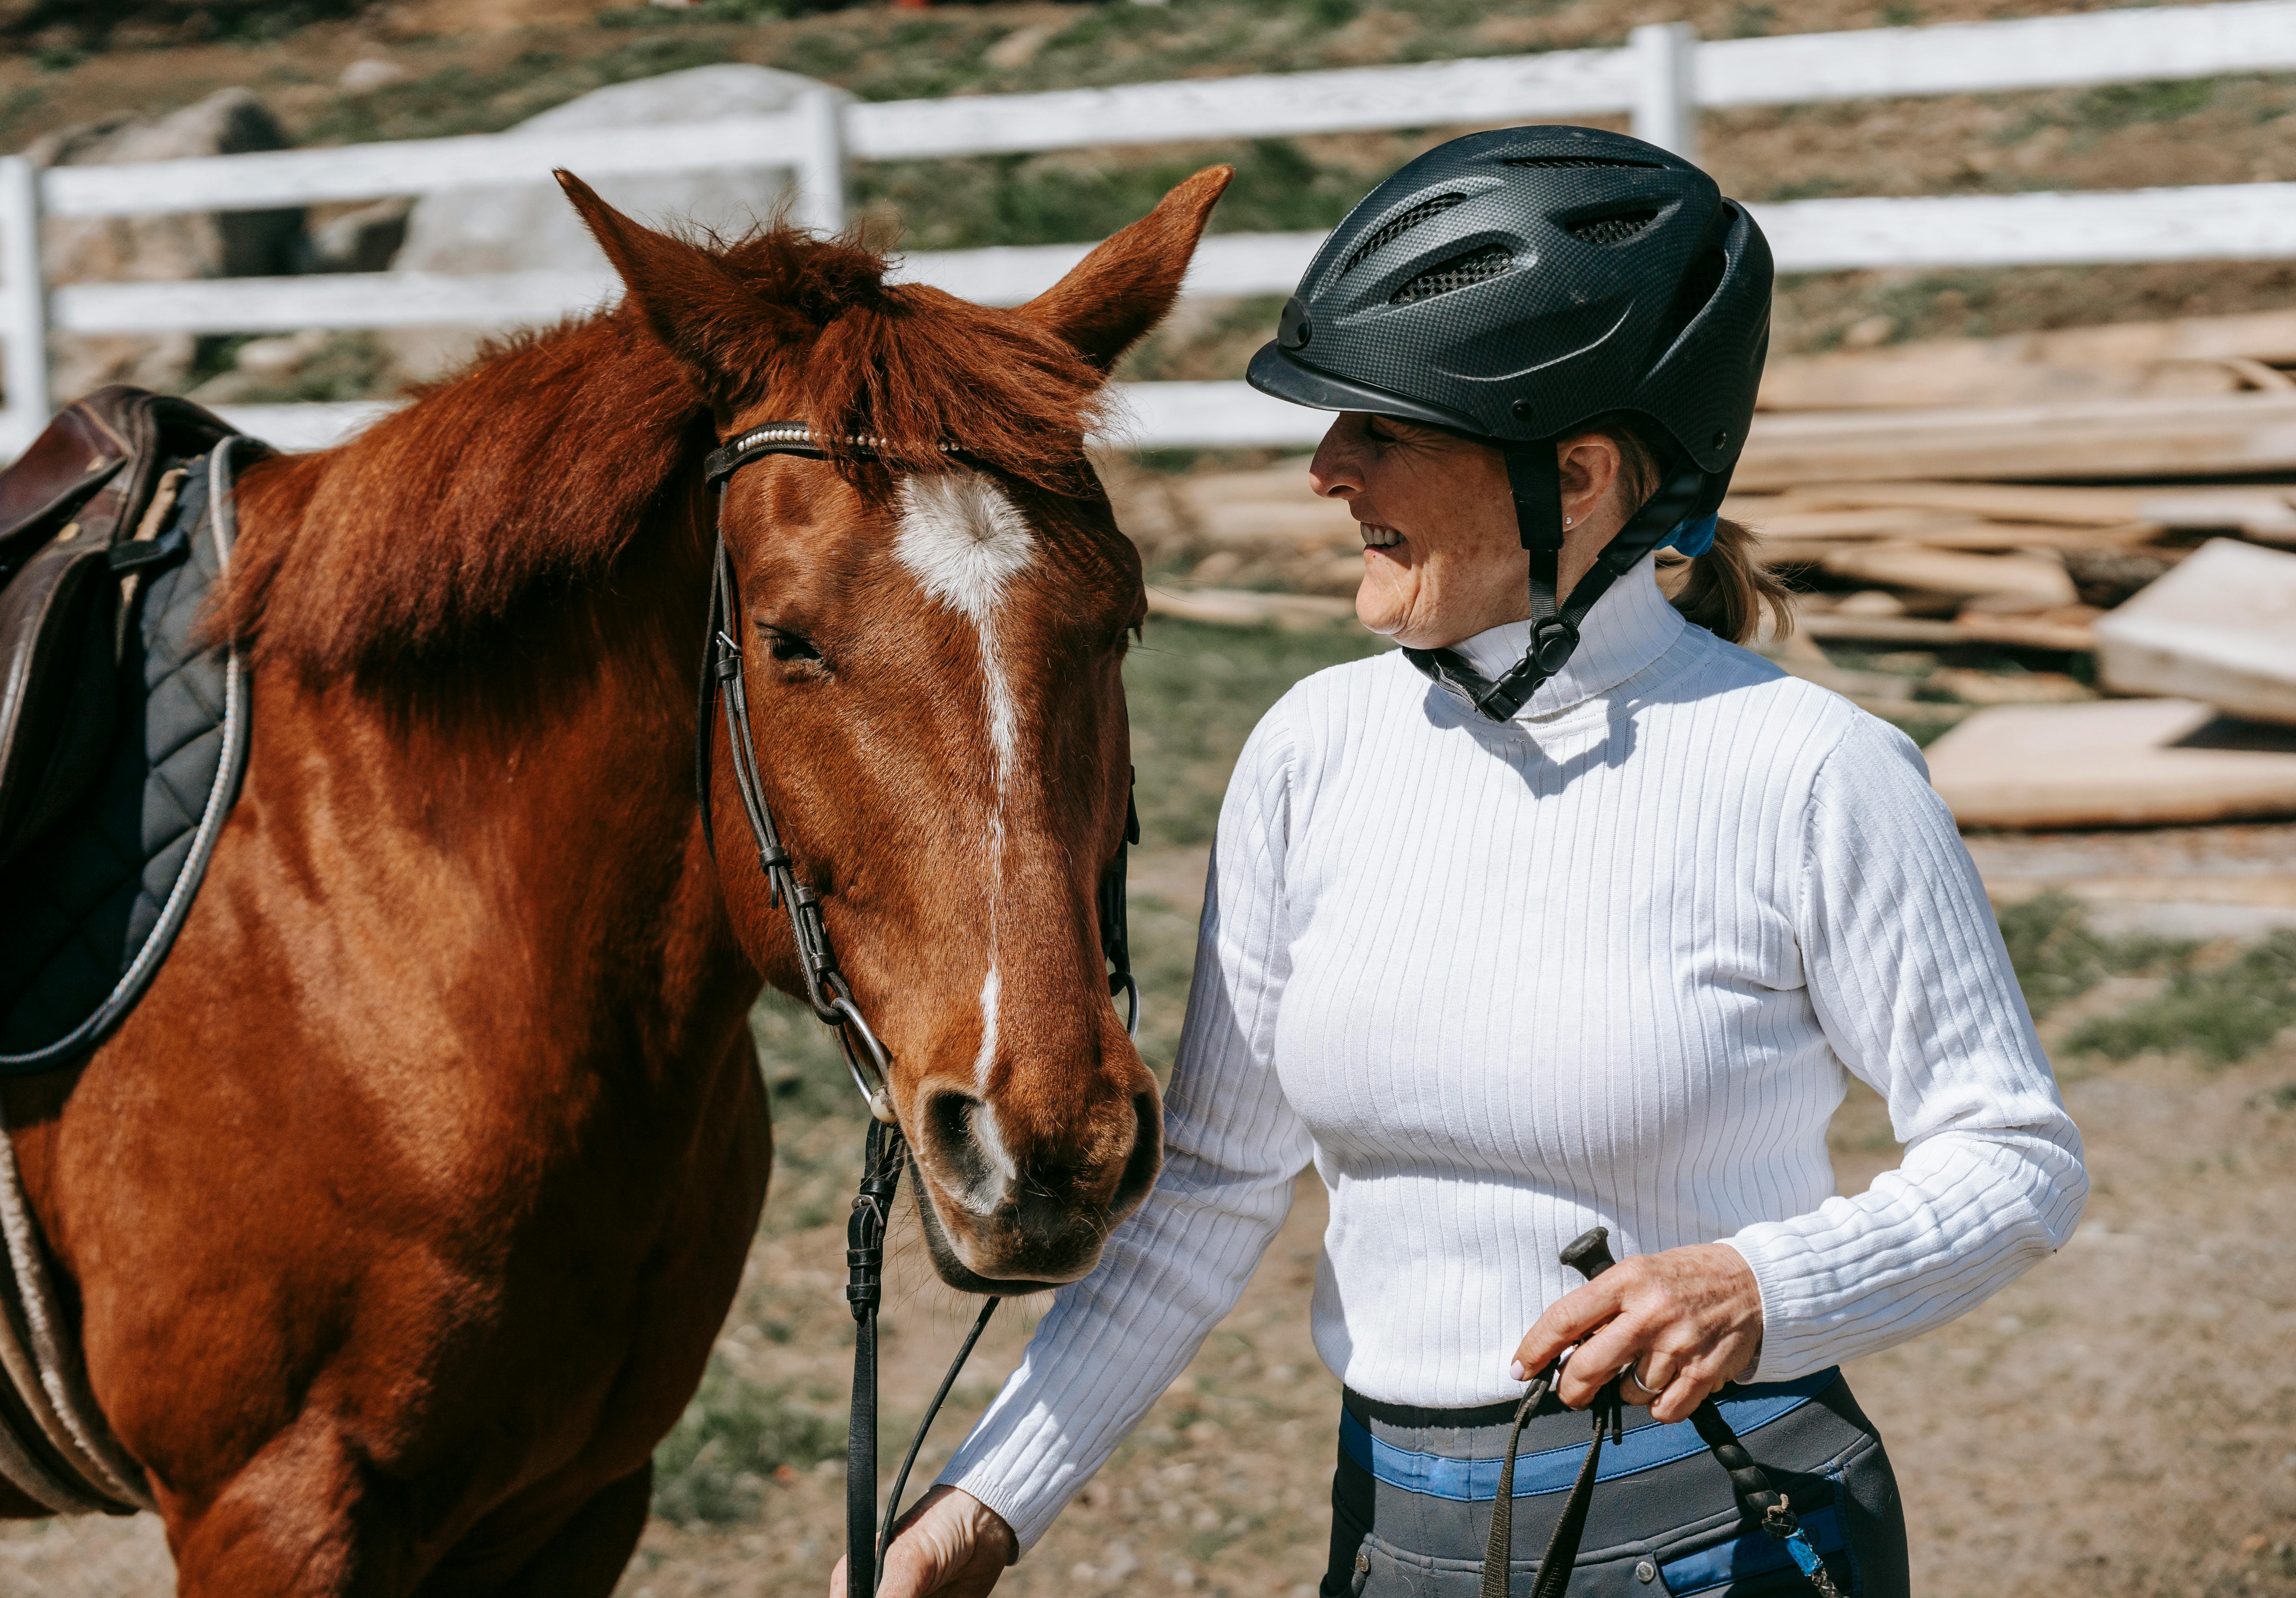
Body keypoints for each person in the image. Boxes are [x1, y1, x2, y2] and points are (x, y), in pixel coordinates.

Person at [861, 125, 2085, 1598]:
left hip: (1731, 1534)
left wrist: (1763, 1284)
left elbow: (2014, 1159)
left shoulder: (1814, 771)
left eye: (1381, 427)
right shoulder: (1312, 753)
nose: (1325, 472)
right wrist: (987, 1504)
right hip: (1394, 1542)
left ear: (1572, 478)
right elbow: (1212, 1190)